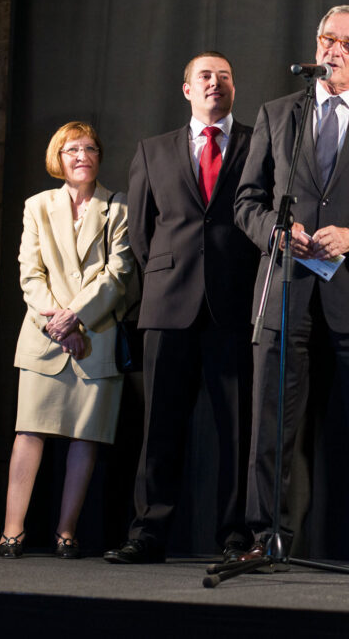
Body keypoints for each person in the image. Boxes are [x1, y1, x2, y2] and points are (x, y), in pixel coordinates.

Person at [235, 4, 349, 571]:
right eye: (325, 39)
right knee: (272, 425)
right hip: (287, 289)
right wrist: (276, 232)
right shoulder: (278, 114)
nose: (332, 50)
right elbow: (247, 203)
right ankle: (265, 536)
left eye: (346, 43)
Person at [105, 51, 258, 564]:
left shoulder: (260, 143)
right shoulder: (153, 150)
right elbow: (143, 233)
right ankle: (148, 534)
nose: (216, 83)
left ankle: (237, 536)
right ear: (187, 88)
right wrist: (170, 278)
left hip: (235, 308)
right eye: (205, 76)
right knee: (159, 430)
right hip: (168, 308)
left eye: (225, 76)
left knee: (238, 432)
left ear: (234, 88)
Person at [0, 122, 135, 559]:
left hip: (95, 335)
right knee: (29, 431)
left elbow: (119, 276)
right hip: (45, 337)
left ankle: (66, 532)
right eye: (72, 149)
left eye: (90, 148)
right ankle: (11, 531)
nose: (82, 156)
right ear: (58, 157)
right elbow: (29, 274)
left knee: (85, 436)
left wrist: (75, 320)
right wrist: (58, 325)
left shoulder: (120, 208)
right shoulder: (37, 206)